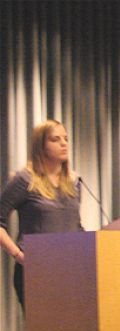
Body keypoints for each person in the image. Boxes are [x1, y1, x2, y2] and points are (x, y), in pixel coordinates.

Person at [0, 119, 84, 309]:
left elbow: (76, 226)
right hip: (35, 270)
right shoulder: (25, 180)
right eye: (55, 139)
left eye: (66, 138)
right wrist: (18, 254)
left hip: (69, 272)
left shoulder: (74, 183)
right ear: (41, 146)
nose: (64, 143)